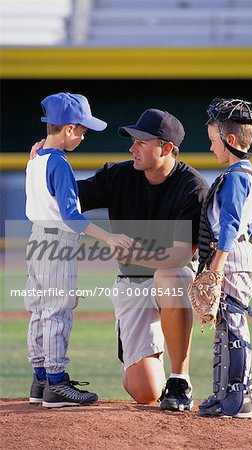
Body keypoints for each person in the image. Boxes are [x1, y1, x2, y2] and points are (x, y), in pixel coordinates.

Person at [77, 108, 209, 410]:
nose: (132, 147)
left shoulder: (192, 186)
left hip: (174, 278)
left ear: (165, 148)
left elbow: (178, 256)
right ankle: (149, 365)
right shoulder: (118, 175)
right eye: (133, 141)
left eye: (140, 141)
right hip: (132, 282)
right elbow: (65, 196)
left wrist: (133, 253)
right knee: (146, 391)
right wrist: (42, 165)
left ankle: (179, 379)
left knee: (170, 275)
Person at [25, 92, 135, 408]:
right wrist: (110, 238)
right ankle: (57, 384)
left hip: (35, 240)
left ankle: (41, 379)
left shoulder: (36, 158)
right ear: (69, 128)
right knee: (58, 310)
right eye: (83, 130)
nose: (84, 135)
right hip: (57, 243)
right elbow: (72, 218)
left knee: (39, 310)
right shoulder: (58, 163)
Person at [195, 98, 252, 419]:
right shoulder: (240, 172)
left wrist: (216, 267)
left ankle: (237, 396)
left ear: (230, 140)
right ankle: (232, 393)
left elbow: (231, 224)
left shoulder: (236, 175)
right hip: (232, 252)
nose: (211, 148)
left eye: (213, 141)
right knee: (226, 323)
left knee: (232, 323)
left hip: (231, 253)